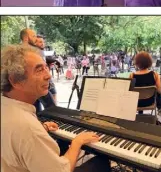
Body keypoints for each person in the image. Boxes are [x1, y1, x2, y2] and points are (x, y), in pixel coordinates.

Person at [1, 44, 111, 172]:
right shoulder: (27, 127)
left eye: (46, 68)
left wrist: (42, 128)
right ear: (15, 81)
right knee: (100, 161)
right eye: (39, 70)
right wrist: (77, 142)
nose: (48, 75)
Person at [19, 28, 55, 111]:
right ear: (25, 38)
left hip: (31, 86)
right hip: (37, 84)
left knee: (36, 110)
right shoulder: (23, 52)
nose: (36, 38)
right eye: (33, 36)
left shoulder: (36, 50)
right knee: (52, 110)